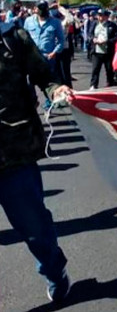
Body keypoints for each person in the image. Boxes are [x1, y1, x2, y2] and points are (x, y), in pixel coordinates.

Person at [0, 19, 74, 303]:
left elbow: (45, 75)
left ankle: (55, 271)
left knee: (35, 230)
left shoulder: (12, 38)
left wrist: (57, 90)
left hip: (14, 155)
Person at [86, 10, 117, 89]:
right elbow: (89, 34)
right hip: (97, 51)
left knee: (109, 69)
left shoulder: (112, 25)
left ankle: (110, 84)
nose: (100, 17)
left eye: (102, 15)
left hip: (108, 51)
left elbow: (116, 37)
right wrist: (93, 39)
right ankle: (93, 85)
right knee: (95, 69)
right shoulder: (94, 24)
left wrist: (107, 41)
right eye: (99, 15)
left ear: (107, 16)